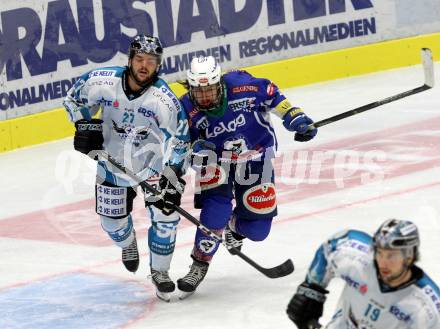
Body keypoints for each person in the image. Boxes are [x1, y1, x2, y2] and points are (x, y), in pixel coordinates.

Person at [175, 55, 318, 298]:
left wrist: (294, 116)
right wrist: (192, 149)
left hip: (256, 158)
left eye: (209, 90)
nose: (205, 97)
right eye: (199, 92)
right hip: (216, 163)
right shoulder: (186, 107)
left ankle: (234, 226)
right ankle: (199, 264)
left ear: (219, 83)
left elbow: (274, 95)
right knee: (215, 211)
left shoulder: (244, 85)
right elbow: (178, 143)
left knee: (258, 231)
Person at [63, 34, 190, 302]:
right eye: (140, 59)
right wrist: (85, 126)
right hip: (112, 163)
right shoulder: (102, 81)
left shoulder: (164, 100)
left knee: (166, 217)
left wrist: (172, 175)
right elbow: (73, 100)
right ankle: (127, 241)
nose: (145, 66)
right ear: (130, 59)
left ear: (159, 65)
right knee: (112, 224)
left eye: (151, 62)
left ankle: (160, 272)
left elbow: (179, 141)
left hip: (151, 165)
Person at [286, 219, 440, 329]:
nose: (383, 262)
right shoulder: (357, 257)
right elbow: (330, 249)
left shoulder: (427, 309)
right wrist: (312, 289)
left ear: (409, 256)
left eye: (391, 256)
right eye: (379, 252)